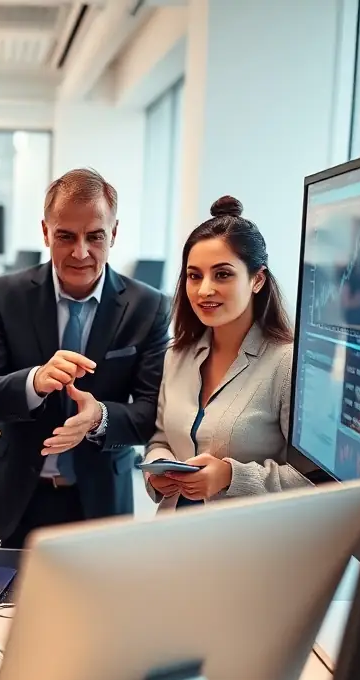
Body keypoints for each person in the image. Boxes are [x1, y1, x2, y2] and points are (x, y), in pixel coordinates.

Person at [0, 168, 172, 548]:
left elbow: (149, 413)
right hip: (8, 501)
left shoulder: (149, 307)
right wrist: (34, 381)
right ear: (45, 232)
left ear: (114, 234)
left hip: (98, 504)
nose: (80, 252)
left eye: (95, 237)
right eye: (65, 236)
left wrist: (100, 417)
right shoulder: (5, 294)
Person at [143, 195, 310, 510]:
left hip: (244, 545)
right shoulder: (177, 354)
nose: (204, 290)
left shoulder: (287, 363)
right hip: (175, 537)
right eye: (194, 275)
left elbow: (312, 480)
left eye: (222, 274)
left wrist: (231, 477)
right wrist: (158, 466)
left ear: (257, 279)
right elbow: (162, 437)